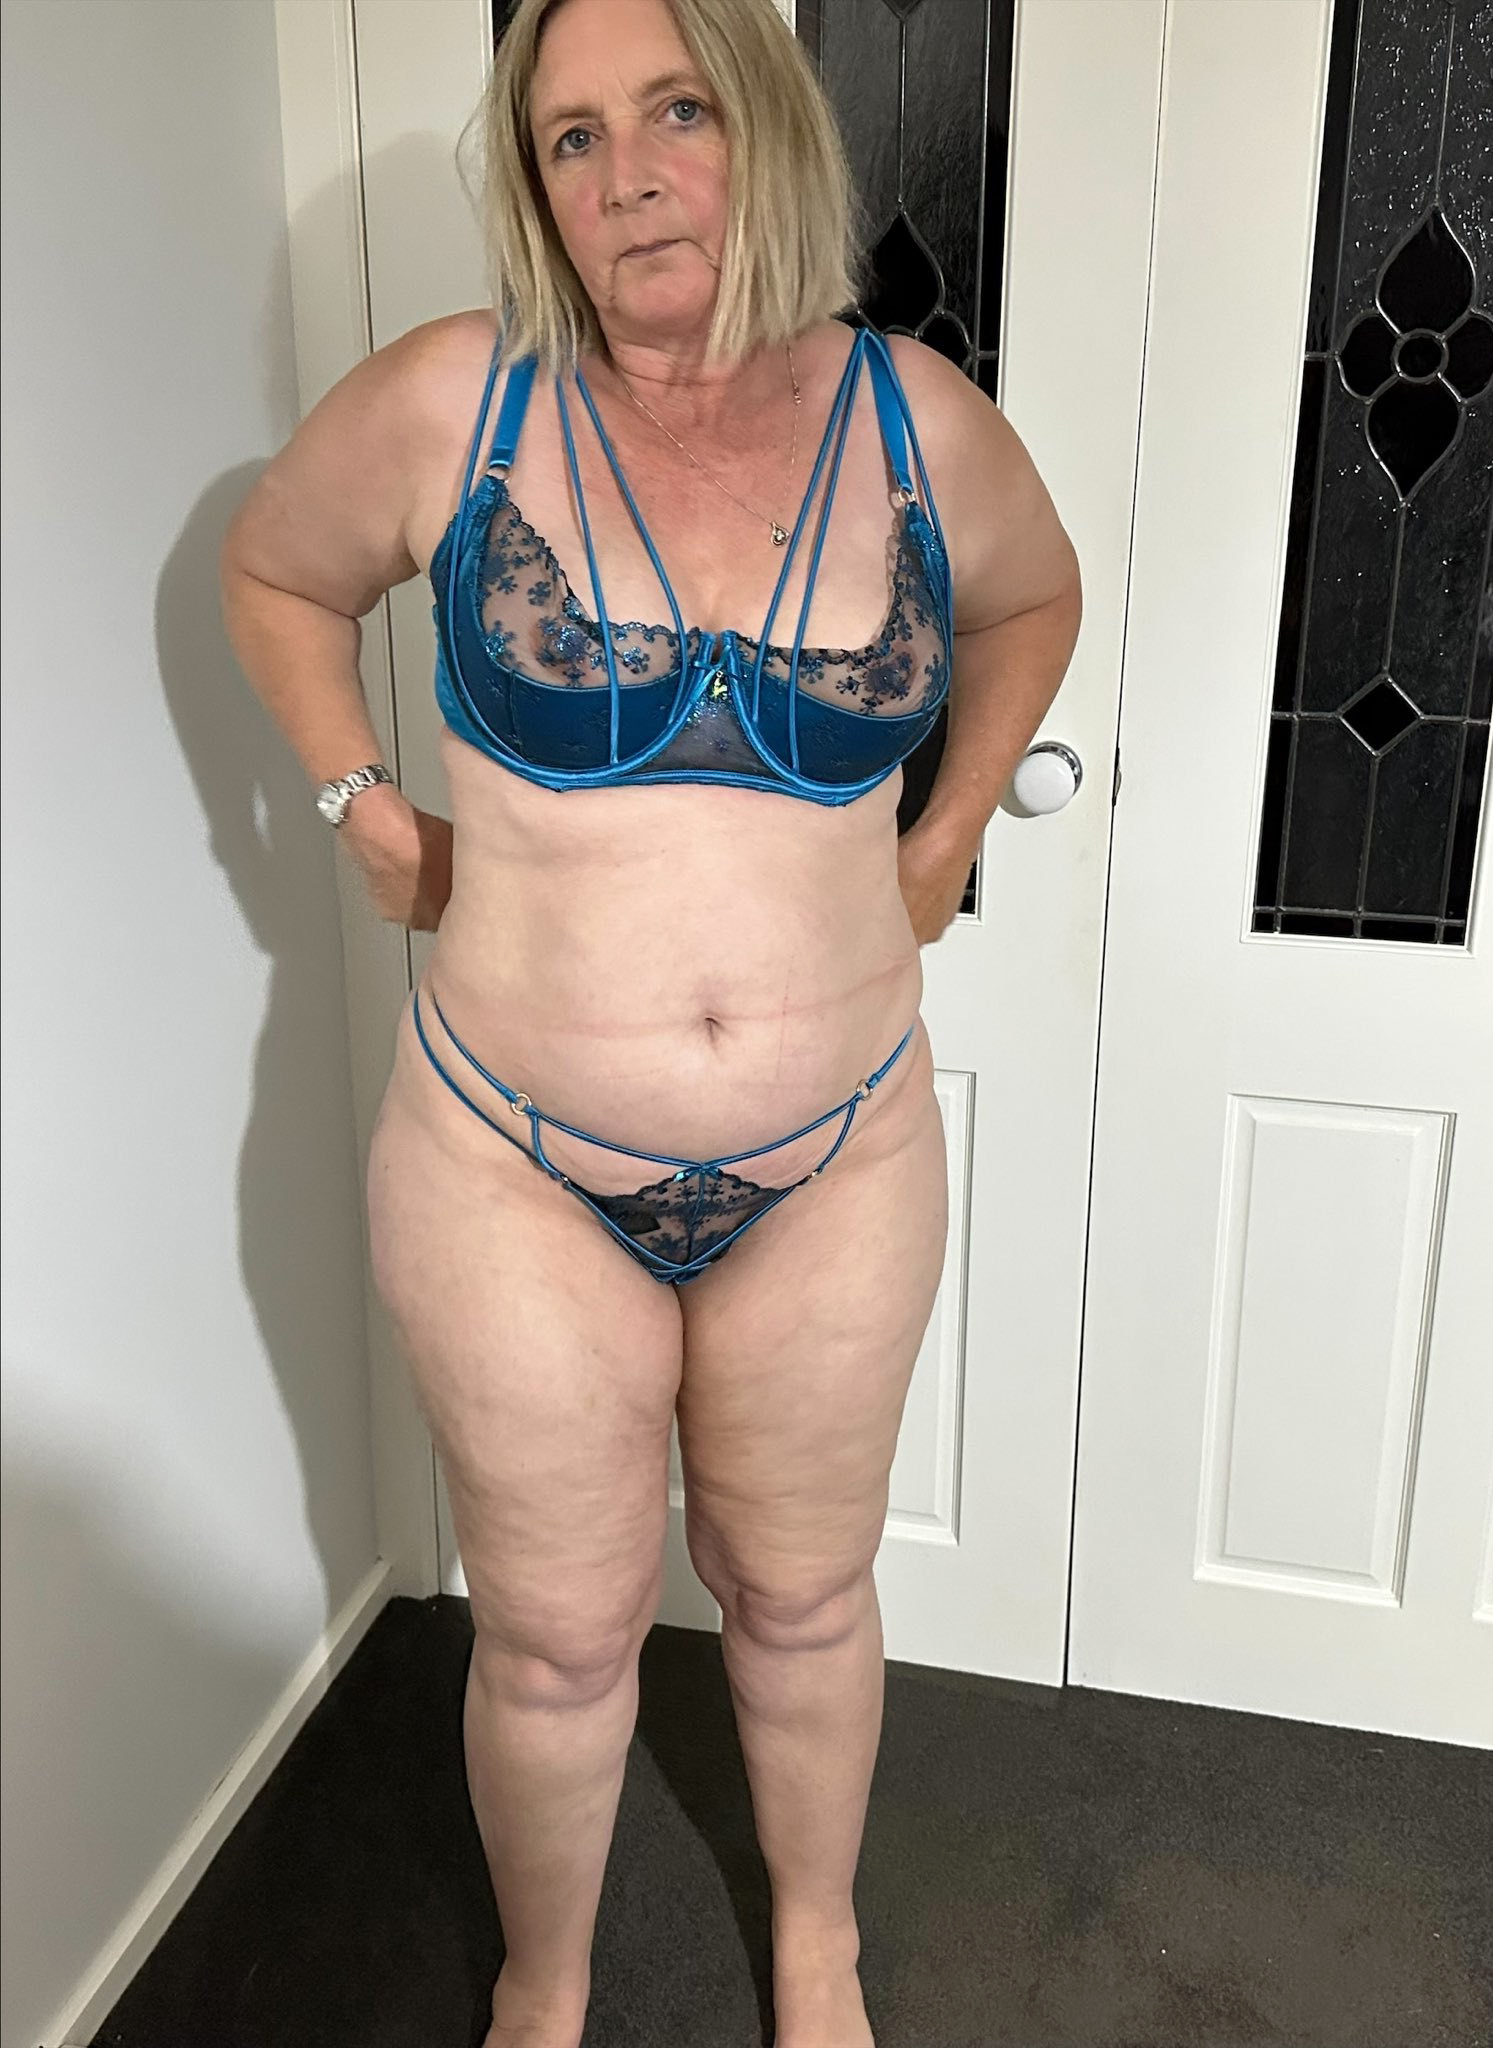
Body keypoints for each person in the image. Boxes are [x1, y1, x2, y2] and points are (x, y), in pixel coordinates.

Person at [220, 0, 1080, 2039]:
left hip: (836, 1157)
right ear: (538, 189)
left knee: (803, 1593)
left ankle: (817, 1941)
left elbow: (1033, 598)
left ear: (759, 128)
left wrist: (952, 823)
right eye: (572, 137)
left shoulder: (914, 420)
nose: (627, 176)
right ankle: (545, 1982)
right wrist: (359, 809)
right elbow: (276, 572)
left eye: (674, 111)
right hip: (509, 1167)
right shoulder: (457, 404)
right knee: (551, 1639)